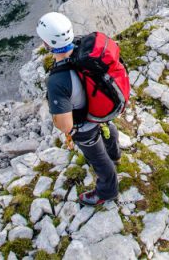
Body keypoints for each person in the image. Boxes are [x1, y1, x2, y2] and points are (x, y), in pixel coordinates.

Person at [37, 12, 121, 207]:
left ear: (48, 44)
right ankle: (115, 153)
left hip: (85, 123)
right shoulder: (85, 48)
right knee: (107, 130)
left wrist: (67, 127)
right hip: (101, 107)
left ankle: (107, 191)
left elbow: (66, 125)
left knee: (98, 159)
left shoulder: (58, 81)